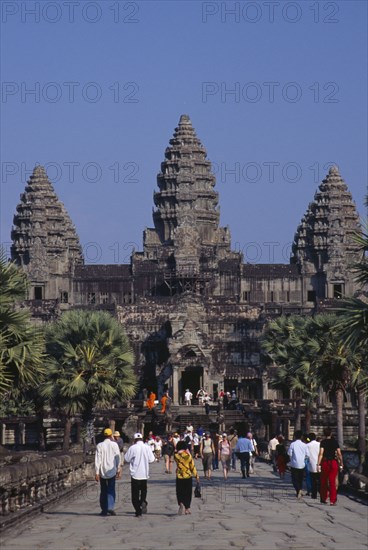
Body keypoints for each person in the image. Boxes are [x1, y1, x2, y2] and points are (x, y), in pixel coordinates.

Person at [124, 432, 155, 517]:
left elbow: (126, 459)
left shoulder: (133, 448)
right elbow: (152, 459)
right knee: (144, 490)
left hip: (135, 474)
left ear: (134, 440)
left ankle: (138, 510)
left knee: (135, 494)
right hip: (144, 473)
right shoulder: (147, 447)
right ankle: (143, 501)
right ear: (142, 438)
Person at [95, 428, 121, 516]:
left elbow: (97, 460)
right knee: (111, 489)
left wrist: (97, 472)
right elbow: (118, 458)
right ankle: (110, 507)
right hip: (112, 470)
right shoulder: (114, 445)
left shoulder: (99, 445)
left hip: (102, 471)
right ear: (111, 436)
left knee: (103, 490)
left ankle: (104, 509)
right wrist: (118, 469)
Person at [317, 427, 343, 506]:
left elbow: (321, 453)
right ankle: (333, 500)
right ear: (331, 433)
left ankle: (324, 498)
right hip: (333, 462)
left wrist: (318, 464)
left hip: (325, 462)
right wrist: (341, 463)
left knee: (324, 481)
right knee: (332, 481)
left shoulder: (323, 442)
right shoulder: (335, 442)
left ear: (324, 434)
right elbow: (339, 453)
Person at [174, 440, 200, 515]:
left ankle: (181, 502)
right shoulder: (188, 456)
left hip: (179, 476)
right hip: (187, 475)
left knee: (179, 491)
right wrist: (196, 476)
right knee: (188, 493)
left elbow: (176, 453)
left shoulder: (176, 456)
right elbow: (192, 467)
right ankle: (187, 508)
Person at [288, 430, 308, 499]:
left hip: (294, 464)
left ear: (295, 436)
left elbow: (289, 454)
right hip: (302, 464)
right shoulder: (304, 445)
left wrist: (291, 460)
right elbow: (307, 455)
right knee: (300, 479)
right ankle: (299, 491)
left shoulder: (292, 444)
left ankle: (298, 490)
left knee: (294, 479)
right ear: (301, 436)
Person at [306, 433, 320, 499]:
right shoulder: (319, 444)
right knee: (320, 480)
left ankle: (314, 494)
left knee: (313, 480)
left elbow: (306, 455)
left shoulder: (307, 445)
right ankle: (321, 492)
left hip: (311, 464)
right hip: (319, 464)